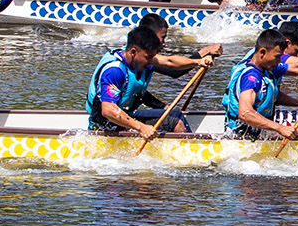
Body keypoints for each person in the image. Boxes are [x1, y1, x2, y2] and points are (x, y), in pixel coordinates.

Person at [87, 21, 218, 139]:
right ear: (133, 52)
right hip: (106, 126)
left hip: (126, 117)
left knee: (175, 115)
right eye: (148, 57)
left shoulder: (140, 57)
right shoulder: (114, 71)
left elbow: (170, 61)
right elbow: (108, 110)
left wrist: (197, 61)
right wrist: (141, 127)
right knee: (174, 122)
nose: (152, 62)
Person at [221, 28, 298, 140]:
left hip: (258, 127)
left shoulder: (267, 69)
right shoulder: (251, 78)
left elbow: (295, 73)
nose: (279, 61)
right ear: (262, 52)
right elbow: (244, 113)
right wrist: (280, 128)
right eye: (277, 57)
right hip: (244, 133)